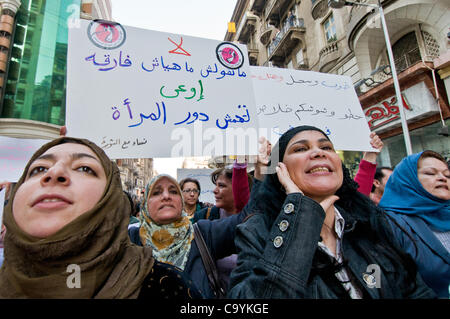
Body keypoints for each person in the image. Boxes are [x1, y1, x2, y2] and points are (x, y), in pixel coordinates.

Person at [227, 125, 436, 299]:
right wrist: (300, 218)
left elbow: (413, 289)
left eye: (326, 147)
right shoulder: (257, 231)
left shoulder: (369, 221)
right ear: (280, 169)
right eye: (300, 149)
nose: (319, 152)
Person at [0, 137, 201, 299]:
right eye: (39, 169)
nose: (54, 173)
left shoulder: (165, 285)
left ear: (112, 200)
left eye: (84, 168)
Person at [128, 173, 257, 298]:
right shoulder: (129, 239)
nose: (166, 196)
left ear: (181, 202)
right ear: (145, 203)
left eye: (174, 191)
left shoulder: (203, 233)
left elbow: (251, 215)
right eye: (156, 192)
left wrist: (261, 173)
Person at [379, 150, 450, 298]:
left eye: (447, 175)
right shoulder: (389, 223)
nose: (442, 178)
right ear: (408, 180)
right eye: (430, 173)